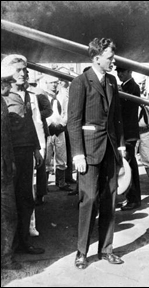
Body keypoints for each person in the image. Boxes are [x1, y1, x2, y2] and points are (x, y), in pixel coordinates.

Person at [68, 38, 125, 269]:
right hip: (89, 152)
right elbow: (73, 122)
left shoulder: (112, 81)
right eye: (110, 57)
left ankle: (106, 249)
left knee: (109, 201)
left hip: (110, 150)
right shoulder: (80, 82)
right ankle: (82, 251)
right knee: (88, 200)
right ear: (96, 58)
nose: (113, 61)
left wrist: (121, 147)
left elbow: (117, 118)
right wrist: (78, 155)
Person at [1, 54, 45, 255]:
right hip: (10, 156)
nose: (23, 73)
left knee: (26, 198)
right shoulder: (3, 96)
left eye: (25, 70)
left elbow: (31, 125)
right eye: (19, 70)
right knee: (9, 203)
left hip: (27, 153)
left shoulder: (28, 95)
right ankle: (9, 247)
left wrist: (36, 149)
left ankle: (24, 242)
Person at [1, 65, 22, 270]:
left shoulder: (3, 104)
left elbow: (6, 137)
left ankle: (5, 258)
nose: (7, 84)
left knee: (9, 214)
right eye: (4, 81)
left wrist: (11, 161)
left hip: (5, 169)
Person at [116, 66, 142, 210]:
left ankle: (134, 199)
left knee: (129, 166)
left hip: (128, 134)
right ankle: (130, 197)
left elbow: (127, 109)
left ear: (130, 72)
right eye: (118, 72)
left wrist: (118, 95)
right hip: (126, 133)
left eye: (123, 72)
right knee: (127, 165)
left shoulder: (132, 87)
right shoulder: (125, 87)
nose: (120, 74)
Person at [27, 76, 53, 205]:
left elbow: (49, 110)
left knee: (40, 163)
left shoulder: (38, 92)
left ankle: (41, 193)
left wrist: (34, 116)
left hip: (39, 131)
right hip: (25, 132)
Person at [45, 75, 72, 192]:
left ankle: (61, 182)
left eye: (56, 82)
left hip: (60, 129)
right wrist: (49, 124)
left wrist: (62, 124)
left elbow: (66, 111)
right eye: (51, 82)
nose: (54, 85)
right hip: (48, 129)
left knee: (61, 155)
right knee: (46, 157)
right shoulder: (42, 96)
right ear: (46, 83)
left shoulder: (63, 95)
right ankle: (43, 185)